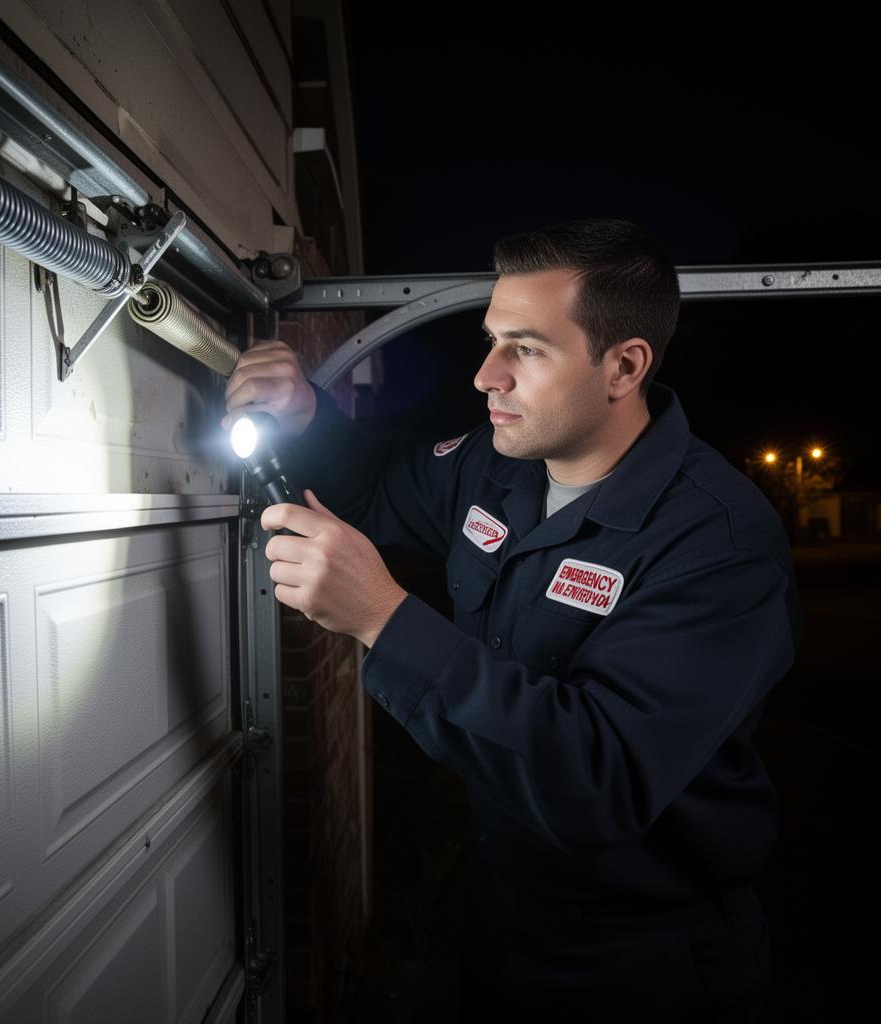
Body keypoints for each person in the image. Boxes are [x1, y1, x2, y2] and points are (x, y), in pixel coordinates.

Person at [222, 218, 800, 1022]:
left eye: (525, 348)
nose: (486, 375)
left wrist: (385, 622)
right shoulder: (495, 467)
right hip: (503, 908)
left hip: (647, 960)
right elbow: (375, 486)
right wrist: (303, 414)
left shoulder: (717, 543)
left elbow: (602, 779)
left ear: (624, 365)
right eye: (492, 340)